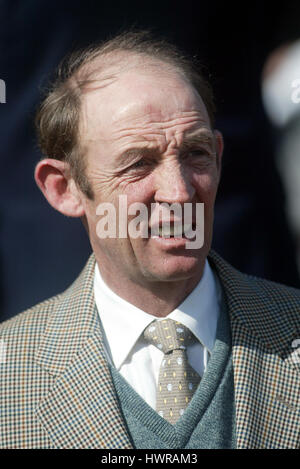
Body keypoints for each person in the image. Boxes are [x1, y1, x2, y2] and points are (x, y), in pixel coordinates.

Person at [0, 31, 299, 450]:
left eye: (195, 154)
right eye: (139, 164)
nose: (179, 192)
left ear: (218, 153)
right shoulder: (10, 375)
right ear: (64, 188)